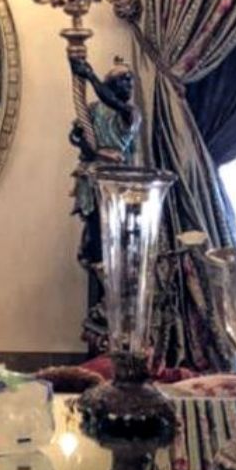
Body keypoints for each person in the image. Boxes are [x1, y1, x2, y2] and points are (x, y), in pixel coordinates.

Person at [67, 54, 140, 351]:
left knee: (117, 245)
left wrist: (89, 74)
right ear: (111, 84)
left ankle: (110, 311)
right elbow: (83, 144)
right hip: (94, 182)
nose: (129, 85)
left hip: (117, 185)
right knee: (94, 242)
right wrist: (81, 141)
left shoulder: (131, 113)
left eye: (131, 80)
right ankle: (100, 307)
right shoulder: (94, 111)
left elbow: (113, 103)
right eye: (123, 80)